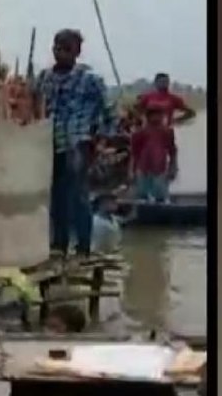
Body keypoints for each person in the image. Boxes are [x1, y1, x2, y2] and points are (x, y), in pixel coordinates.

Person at [34, 29, 116, 258]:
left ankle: (83, 247)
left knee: (78, 196)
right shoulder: (44, 78)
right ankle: (58, 245)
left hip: (77, 144)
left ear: (77, 52)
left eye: (66, 48)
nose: (60, 52)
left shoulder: (90, 80)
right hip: (49, 145)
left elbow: (110, 113)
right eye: (57, 47)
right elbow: (35, 107)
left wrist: (100, 141)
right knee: (55, 196)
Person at [130, 107, 177, 203]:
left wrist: (173, 167)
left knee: (160, 197)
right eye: (154, 115)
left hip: (160, 167)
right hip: (143, 167)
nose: (157, 118)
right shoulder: (139, 133)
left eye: (159, 115)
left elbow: (172, 151)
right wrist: (131, 170)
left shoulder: (167, 132)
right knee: (142, 196)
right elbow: (134, 153)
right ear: (148, 117)